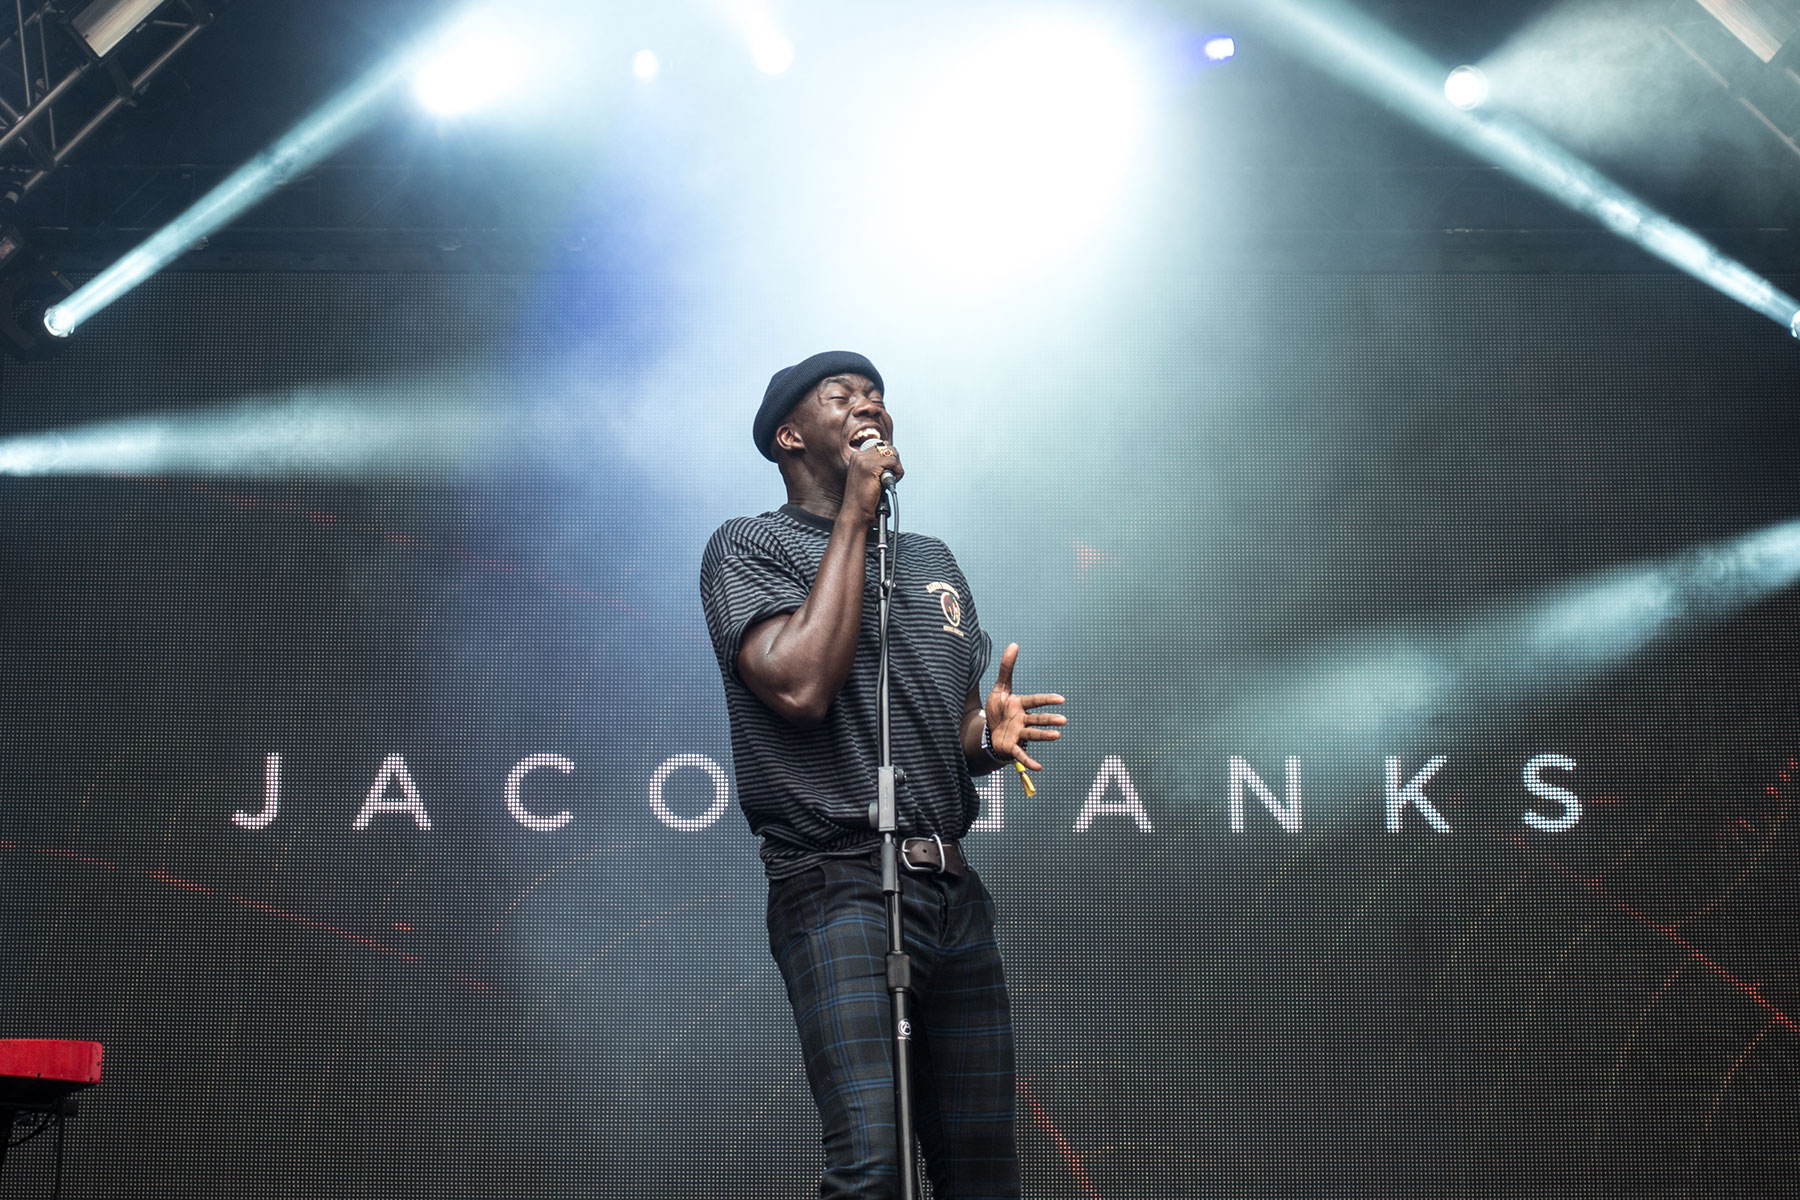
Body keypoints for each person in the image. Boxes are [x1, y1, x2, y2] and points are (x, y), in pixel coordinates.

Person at [699, 351, 1068, 1199]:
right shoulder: (747, 547)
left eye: (877, 396)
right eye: (844, 396)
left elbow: (942, 724)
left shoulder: (933, 560)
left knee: (984, 1174)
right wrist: (855, 521)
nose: (871, 407)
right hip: (835, 883)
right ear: (790, 436)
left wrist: (982, 737)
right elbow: (799, 685)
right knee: (874, 1163)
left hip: (951, 891)